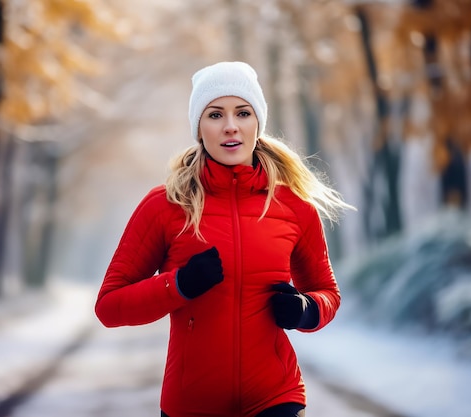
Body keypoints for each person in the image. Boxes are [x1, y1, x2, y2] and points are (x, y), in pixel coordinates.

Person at [95, 61, 355, 417]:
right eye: (215, 114)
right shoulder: (166, 205)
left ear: (257, 123)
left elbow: (327, 292)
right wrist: (179, 285)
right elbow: (109, 306)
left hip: (276, 398)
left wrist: (306, 311)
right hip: (191, 405)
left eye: (243, 113)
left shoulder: (294, 206)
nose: (231, 126)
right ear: (199, 128)